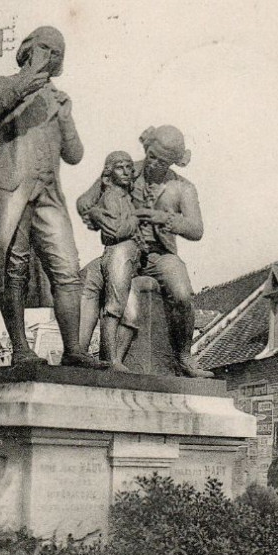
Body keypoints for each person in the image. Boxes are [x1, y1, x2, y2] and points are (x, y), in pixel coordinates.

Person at [0, 25, 103, 369]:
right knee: (13, 267)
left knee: (67, 268)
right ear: (28, 48)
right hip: (13, 187)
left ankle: (74, 349)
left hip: (49, 193)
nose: (51, 56)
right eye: (46, 47)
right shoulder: (4, 84)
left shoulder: (58, 99)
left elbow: (74, 155)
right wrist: (24, 84)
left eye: (58, 52)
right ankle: (20, 349)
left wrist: (65, 118)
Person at [77, 124, 211, 378]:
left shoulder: (183, 188)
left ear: (173, 162)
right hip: (124, 247)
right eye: (150, 156)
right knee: (90, 278)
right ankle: (80, 353)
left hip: (160, 255)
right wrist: (98, 215)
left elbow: (196, 229)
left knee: (182, 293)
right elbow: (87, 202)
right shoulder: (126, 169)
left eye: (161, 162)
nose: (151, 164)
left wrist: (162, 217)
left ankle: (184, 357)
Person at [76, 150, 143, 370]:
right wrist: (138, 221)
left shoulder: (128, 196)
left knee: (131, 317)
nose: (127, 172)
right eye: (120, 167)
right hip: (118, 252)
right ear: (109, 173)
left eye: (129, 167)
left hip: (131, 259)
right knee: (114, 308)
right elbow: (114, 231)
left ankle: (113, 361)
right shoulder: (111, 196)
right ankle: (110, 360)